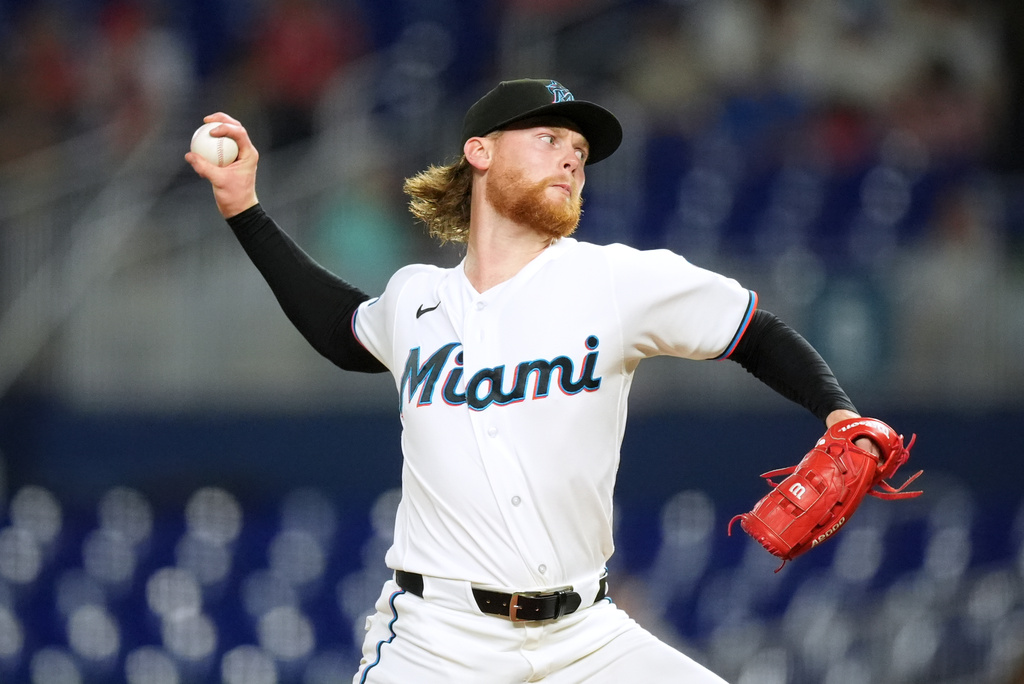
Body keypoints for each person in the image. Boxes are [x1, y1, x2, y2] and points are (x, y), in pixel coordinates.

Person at [187, 78, 874, 684]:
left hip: (586, 638)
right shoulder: (416, 298)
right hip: (437, 642)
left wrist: (839, 413)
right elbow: (342, 332)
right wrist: (245, 208)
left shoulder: (614, 281)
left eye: (580, 151)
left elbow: (754, 331)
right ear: (480, 152)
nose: (572, 158)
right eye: (549, 139)